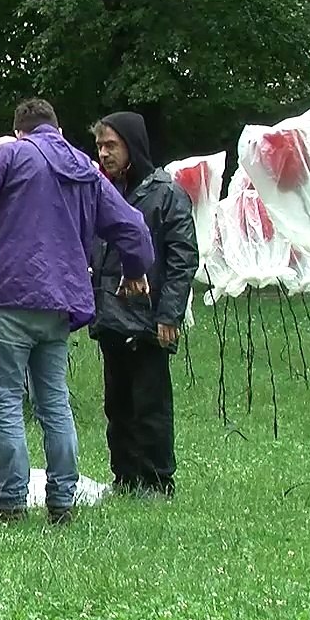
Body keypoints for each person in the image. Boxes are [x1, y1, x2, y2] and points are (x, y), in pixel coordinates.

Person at [0, 98, 155, 525]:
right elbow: (133, 225)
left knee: (7, 403)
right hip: (61, 304)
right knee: (54, 405)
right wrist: (136, 268)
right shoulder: (85, 168)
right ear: (58, 130)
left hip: (10, 297)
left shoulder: (11, 153)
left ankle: (11, 502)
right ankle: (62, 501)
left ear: (20, 130)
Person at [90, 112, 198, 499]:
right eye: (100, 147)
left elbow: (183, 257)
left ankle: (156, 479)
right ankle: (125, 476)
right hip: (110, 316)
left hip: (150, 318)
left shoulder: (166, 193)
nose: (104, 154)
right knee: (117, 405)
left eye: (111, 146)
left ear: (131, 146)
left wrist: (169, 313)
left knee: (149, 403)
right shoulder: (102, 192)